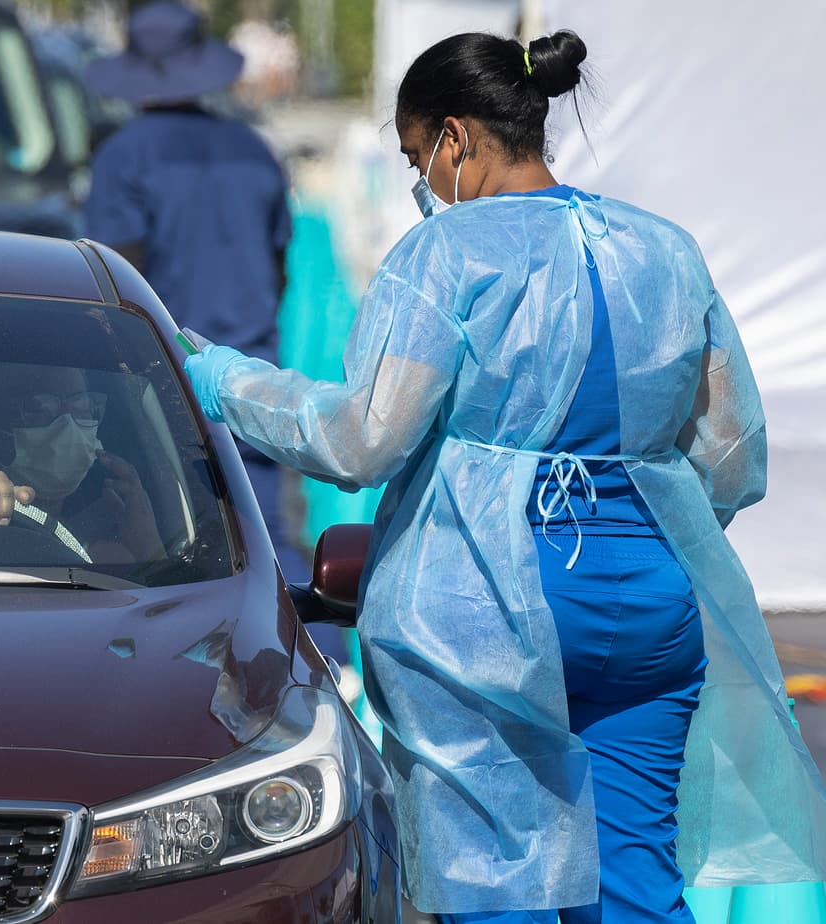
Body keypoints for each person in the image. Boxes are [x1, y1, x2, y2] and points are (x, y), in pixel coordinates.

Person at [183, 29, 826, 924]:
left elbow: (362, 439)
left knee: (496, 885)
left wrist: (220, 381)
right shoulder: (663, 250)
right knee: (637, 879)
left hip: (484, 609)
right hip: (651, 602)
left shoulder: (446, 257)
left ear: (455, 138)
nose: (421, 181)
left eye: (416, 156)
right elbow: (730, 455)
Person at [82, 0, 310, 584]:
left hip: (162, 382)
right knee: (268, 543)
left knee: (171, 556)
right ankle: (324, 665)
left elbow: (115, 280)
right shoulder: (254, 150)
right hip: (254, 375)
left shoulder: (122, 156)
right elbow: (280, 264)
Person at [0, 362, 163, 564]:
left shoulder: (109, 559)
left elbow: (159, 601)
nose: (67, 423)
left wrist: (148, 548)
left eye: (81, 404)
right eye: (38, 407)